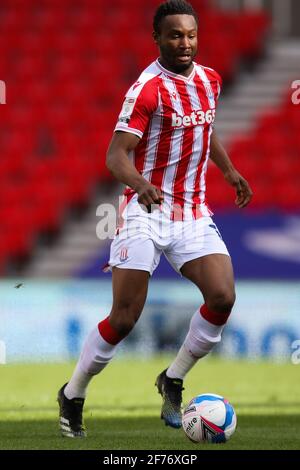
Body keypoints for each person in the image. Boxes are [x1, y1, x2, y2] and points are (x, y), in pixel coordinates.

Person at [57, 0, 252, 437]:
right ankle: (73, 393)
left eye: (191, 35)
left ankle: (174, 377)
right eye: (175, 35)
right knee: (125, 318)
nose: (185, 43)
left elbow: (204, 128)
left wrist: (229, 170)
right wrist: (141, 184)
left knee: (222, 297)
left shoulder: (211, 81)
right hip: (145, 212)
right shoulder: (147, 89)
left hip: (192, 211)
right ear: (158, 39)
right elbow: (115, 156)